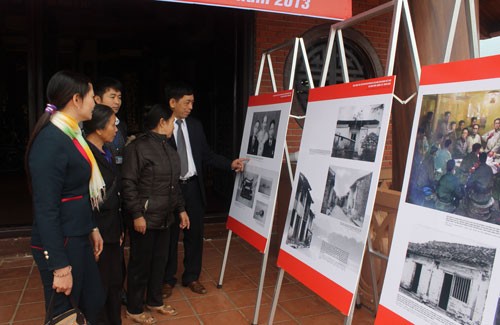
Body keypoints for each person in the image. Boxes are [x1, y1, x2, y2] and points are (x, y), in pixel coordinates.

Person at [26, 70, 105, 323]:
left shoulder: (73, 135)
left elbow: (79, 191)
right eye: (93, 96)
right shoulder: (51, 141)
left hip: (78, 233)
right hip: (62, 242)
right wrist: (60, 267)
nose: (96, 102)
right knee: (65, 313)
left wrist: (92, 226)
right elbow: (45, 209)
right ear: (76, 100)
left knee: (93, 302)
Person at [162, 82, 247, 297]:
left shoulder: (196, 126)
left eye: (193, 102)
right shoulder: (162, 126)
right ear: (173, 103)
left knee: (195, 234)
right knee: (170, 236)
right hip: (171, 190)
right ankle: (167, 279)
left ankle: (192, 276)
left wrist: (230, 164)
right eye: (187, 102)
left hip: (192, 188)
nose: (191, 107)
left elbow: (207, 155)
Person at [122, 104, 189, 324]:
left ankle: (154, 301)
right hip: (145, 218)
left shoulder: (168, 148)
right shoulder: (138, 148)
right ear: (162, 122)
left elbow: (174, 185)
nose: (173, 126)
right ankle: (133, 307)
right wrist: (137, 214)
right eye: (171, 121)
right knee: (140, 265)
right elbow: (129, 184)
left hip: (165, 217)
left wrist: (181, 210)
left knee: (160, 262)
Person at [83, 104, 123, 325]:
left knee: (115, 282)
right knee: (100, 286)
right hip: (97, 232)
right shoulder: (85, 155)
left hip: (112, 228)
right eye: (112, 124)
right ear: (98, 128)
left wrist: (119, 228)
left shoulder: (107, 151)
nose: (116, 129)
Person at [94, 77, 127, 165]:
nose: (117, 102)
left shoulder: (121, 125)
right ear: (97, 99)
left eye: (119, 97)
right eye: (112, 97)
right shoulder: (89, 125)